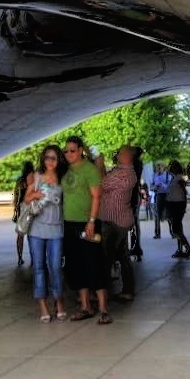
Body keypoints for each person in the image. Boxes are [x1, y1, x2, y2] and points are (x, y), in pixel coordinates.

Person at [60, 137, 111, 323]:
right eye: (66, 151)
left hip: (87, 223)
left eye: (72, 150)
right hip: (69, 223)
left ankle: (104, 308)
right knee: (75, 266)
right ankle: (85, 306)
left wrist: (91, 221)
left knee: (94, 264)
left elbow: (97, 197)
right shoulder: (65, 170)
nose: (68, 154)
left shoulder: (90, 169)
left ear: (81, 150)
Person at [25, 145, 67, 322]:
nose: (50, 161)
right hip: (37, 228)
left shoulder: (63, 178)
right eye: (47, 158)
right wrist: (36, 195)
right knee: (39, 267)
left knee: (56, 266)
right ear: (43, 159)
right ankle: (42, 304)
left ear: (59, 160)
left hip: (56, 227)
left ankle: (59, 301)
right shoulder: (36, 176)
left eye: (54, 158)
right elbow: (26, 198)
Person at [98, 146, 140, 302]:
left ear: (126, 156)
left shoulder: (125, 174)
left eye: (120, 153)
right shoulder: (123, 171)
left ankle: (103, 292)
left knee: (107, 257)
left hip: (115, 222)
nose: (117, 154)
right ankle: (125, 290)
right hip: (117, 220)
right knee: (122, 256)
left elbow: (103, 183)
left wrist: (100, 165)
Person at [162, 160, 190, 258]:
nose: (172, 168)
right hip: (173, 205)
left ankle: (188, 248)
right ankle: (181, 248)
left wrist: (184, 205)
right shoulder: (174, 178)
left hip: (177, 205)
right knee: (178, 228)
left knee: (176, 229)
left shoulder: (179, 178)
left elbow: (184, 191)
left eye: (174, 167)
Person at [12, 160, 36, 266]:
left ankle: (20, 257)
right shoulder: (34, 177)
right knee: (32, 234)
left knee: (20, 234)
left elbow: (16, 195)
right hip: (30, 206)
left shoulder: (20, 180)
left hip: (22, 207)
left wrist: (16, 207)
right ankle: (33, 258)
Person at [150, 164, 173, 239]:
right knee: (157, 216)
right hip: (158, 195)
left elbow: (170, 186)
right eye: (158, 166)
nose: (159, 168)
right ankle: (157, 233)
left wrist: (162, 185)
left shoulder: (167, 175)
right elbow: (151, 186)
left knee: (169, 215)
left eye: (161, 166)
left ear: (164, 167)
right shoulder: (155, 175)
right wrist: (154, 187)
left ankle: (173, 233)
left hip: (167, 195)